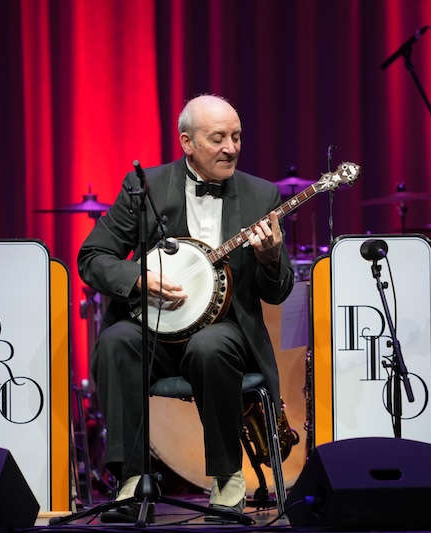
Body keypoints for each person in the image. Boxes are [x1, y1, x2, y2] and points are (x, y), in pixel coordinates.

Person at [78, 94, 294, 521]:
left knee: (209, 346)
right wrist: (139, 279)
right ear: (187, 142)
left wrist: (271, 259)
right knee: (117, 341)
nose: (231, 147)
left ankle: (227, 477)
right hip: (155, 331)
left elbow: (278, 290)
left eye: (236, 137)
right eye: (218, 138)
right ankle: (131, 481)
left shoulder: (260, 194)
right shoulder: (146, 189)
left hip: (225, 335)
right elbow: (93, 256)